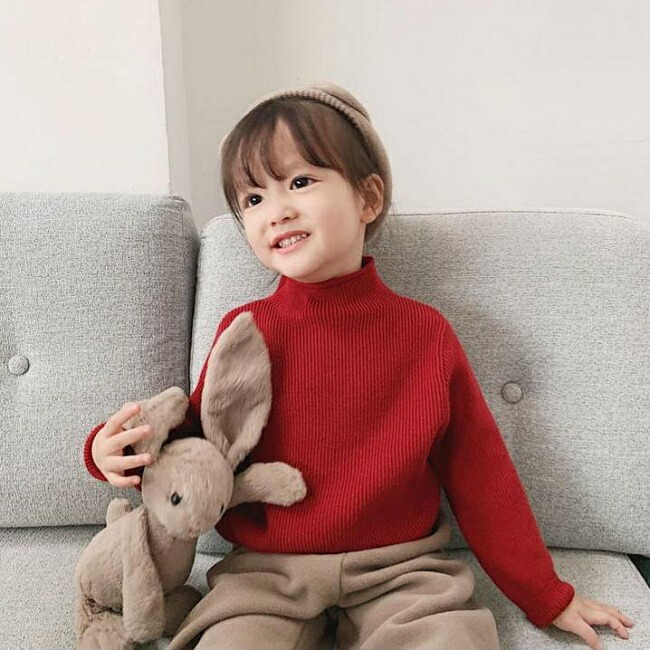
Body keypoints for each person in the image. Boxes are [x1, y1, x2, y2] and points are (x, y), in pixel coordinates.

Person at [82, 82, 635, 650]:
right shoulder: (247, 330)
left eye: (300, 182)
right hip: (266, 573)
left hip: (402, 571)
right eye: (253, 199)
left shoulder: (426, 335)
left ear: (367, 199)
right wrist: (110, 450)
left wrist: (547, 594)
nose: (277, 211)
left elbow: (482, 475)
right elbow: (198, 445)